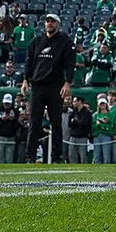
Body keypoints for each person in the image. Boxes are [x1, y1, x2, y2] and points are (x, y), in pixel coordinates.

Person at [26, 12, 75, 162]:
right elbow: (29, 61)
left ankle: (56, 156)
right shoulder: (36, 41)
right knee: (34, 122)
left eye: (52, 21)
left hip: (55, 87)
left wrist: (67, 83)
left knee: (56, 123)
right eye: (47, 21)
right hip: (38, 86)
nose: (49, 24)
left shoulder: (65, 41)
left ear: (58, 24)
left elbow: (70, 64)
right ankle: (30, 156)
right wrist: (25, 79)